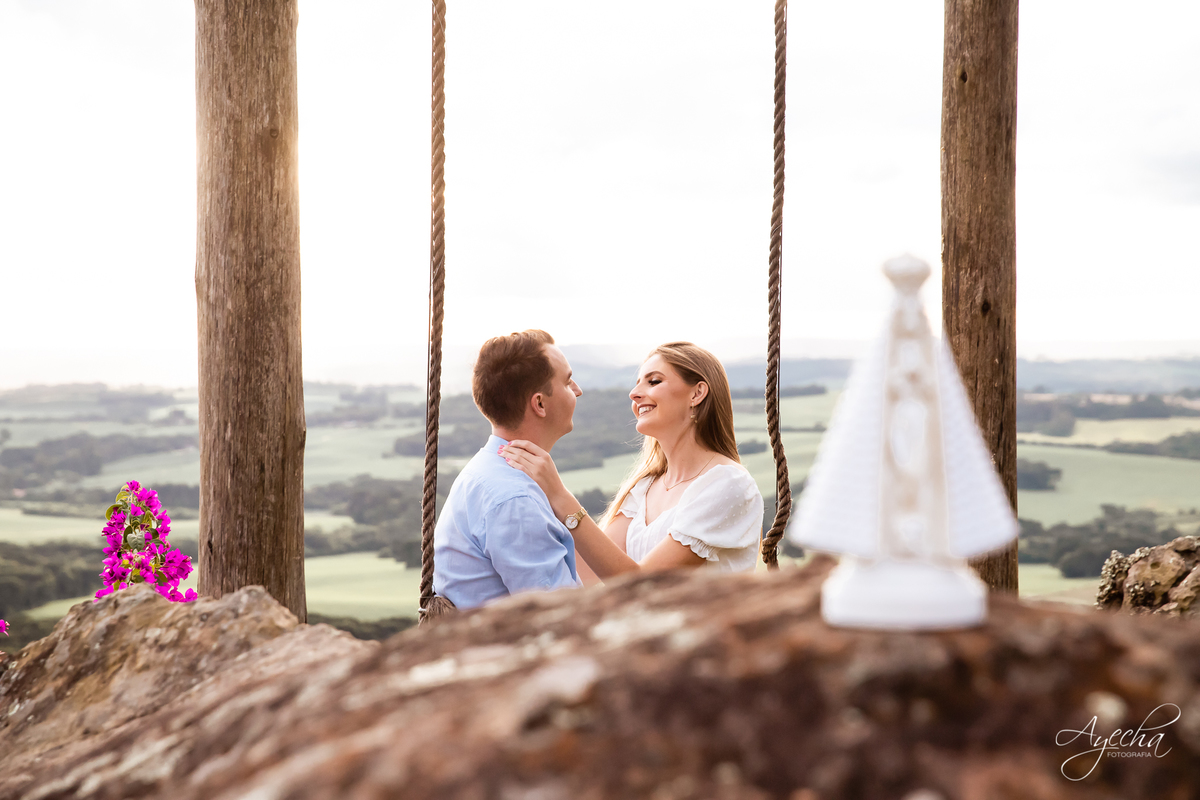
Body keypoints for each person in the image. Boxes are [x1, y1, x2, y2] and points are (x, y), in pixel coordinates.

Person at [502, 342, 763, 578]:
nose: (634, 393)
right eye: (638, 382)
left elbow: (642, 583)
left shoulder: (728, 484)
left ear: (697, 394)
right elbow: (590, 576)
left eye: (654, 381)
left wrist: (559, 496)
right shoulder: (644, 487)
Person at [431, 329, 586, 609]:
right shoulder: (515, 499)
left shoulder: (486, 472)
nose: (578, 390)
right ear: (539, 403)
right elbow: (562, 615)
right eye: (568, 381)